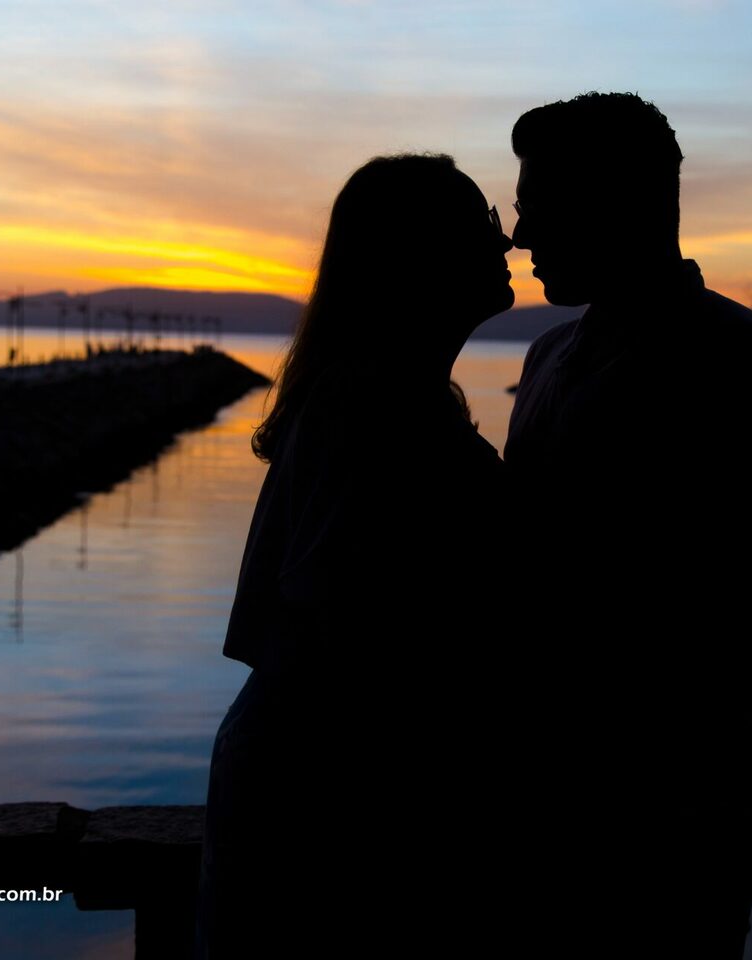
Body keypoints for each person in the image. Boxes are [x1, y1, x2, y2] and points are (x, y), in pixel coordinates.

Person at [502, 92, 752, 955]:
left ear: (619, 205)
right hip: (532, 807)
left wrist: (648, 730)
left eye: (538, 209)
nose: (520, 237)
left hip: (680, 825)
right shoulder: (546, 357)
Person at [196, 153, 517, 956]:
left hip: (326, 785)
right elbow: (343, 628)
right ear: (420, 255)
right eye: (481, 223)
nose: (506, 239)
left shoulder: (389, 398)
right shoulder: (374, 407)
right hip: (331, 803)